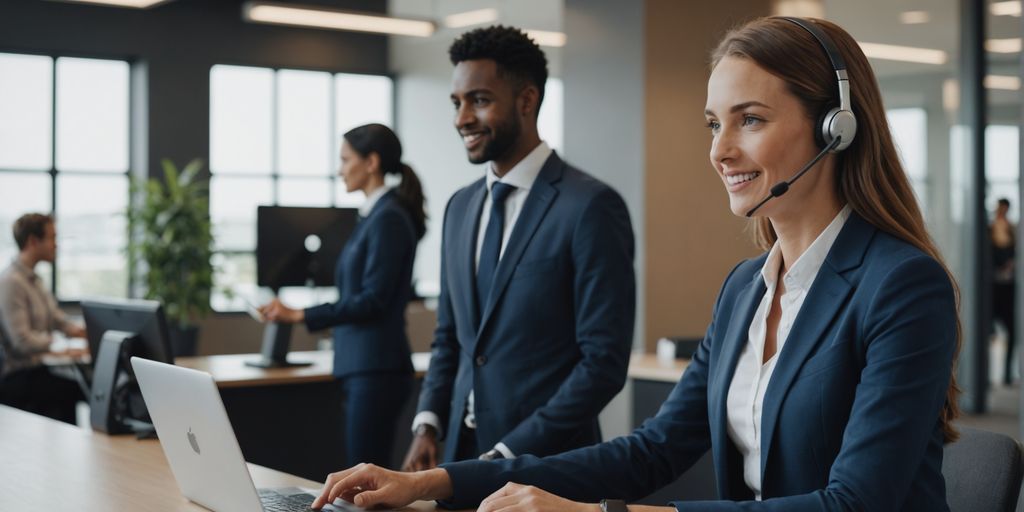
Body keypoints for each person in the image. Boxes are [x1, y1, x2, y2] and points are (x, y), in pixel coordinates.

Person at [311, 16, 960, 512]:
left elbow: (854, 503)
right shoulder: (746, 291)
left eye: (750, 120)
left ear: (835, 129)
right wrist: (437, 479)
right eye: (713, 124)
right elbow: (652, 451)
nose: (721, 151)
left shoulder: (901, 287)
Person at [401, 25, 636, 470]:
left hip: (547, 465)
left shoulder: (590, 207)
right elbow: (449, 337)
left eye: (480, 100)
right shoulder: (460, 207)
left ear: (526, 101)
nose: (462, 118)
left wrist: (509, 452)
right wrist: (428, 424)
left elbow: (602, 364)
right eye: (457, 103)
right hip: (457, 457)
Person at [260, 123, 425, 468]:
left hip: (376, 368)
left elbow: (373, 300)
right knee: (360, 477)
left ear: (372, 162)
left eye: (345, 159)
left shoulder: (389, 219)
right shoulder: (374, 216)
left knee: (365, 481)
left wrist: (301, 314)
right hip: (363, 367)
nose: (339, 170)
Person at [0, 213, 88, 424]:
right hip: (17, 376)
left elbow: (59, 320)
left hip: (38, 370)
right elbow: (22, 342)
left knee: (82, 386)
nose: (56, 245)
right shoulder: (12, 282)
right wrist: (60, 347)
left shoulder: (35, 280)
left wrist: (88, 333)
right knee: (74, 389)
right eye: (52, 238)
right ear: (33, 241)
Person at [991, 198, 1016, 385]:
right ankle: (986, 377)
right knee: (988, 332)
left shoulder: (1012, 231)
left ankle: (1007, 375)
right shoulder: (989, 230)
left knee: (1012, 333)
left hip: (1008, 289)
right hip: (992, 290)